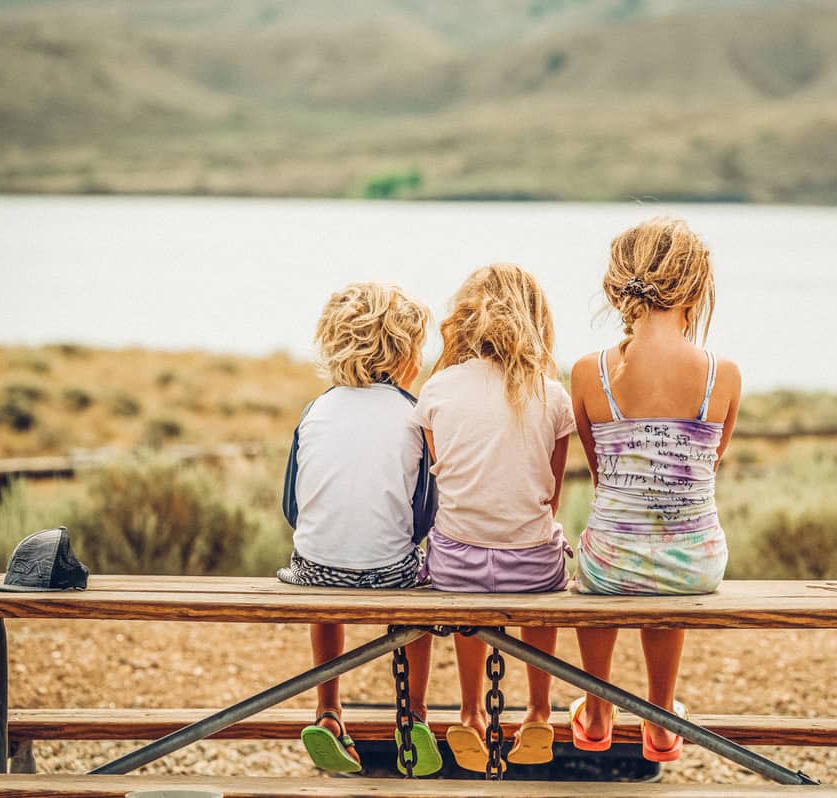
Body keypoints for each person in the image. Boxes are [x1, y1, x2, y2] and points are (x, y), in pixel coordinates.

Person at [568, 218, 741, 762]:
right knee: (666, 568)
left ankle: (596, 711)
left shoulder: (587, 372)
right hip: (696, 561)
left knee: (602, 567)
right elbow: (706, 467)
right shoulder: (723, 374)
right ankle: (660, 717)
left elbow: (601, 475)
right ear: (695, 287)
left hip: (612, 560)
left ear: (618, 284)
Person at [412, 263, 575, 772]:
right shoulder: (552, 394)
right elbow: (551, 498)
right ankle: (538, 712)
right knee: (542, 580)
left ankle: (469, 712)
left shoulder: (438, 390)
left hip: (454, 566)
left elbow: (443, 483)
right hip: (530, 565)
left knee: (468, 582)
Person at [278, 282, 441, 776]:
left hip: (313, 570)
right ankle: (413, 714)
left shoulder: (317, 409)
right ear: (405, 350)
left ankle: (328, 711)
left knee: (322, 572)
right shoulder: (413, 414)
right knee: (422, 586)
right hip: (392, 572)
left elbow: (292, 506)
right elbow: (423, 515)